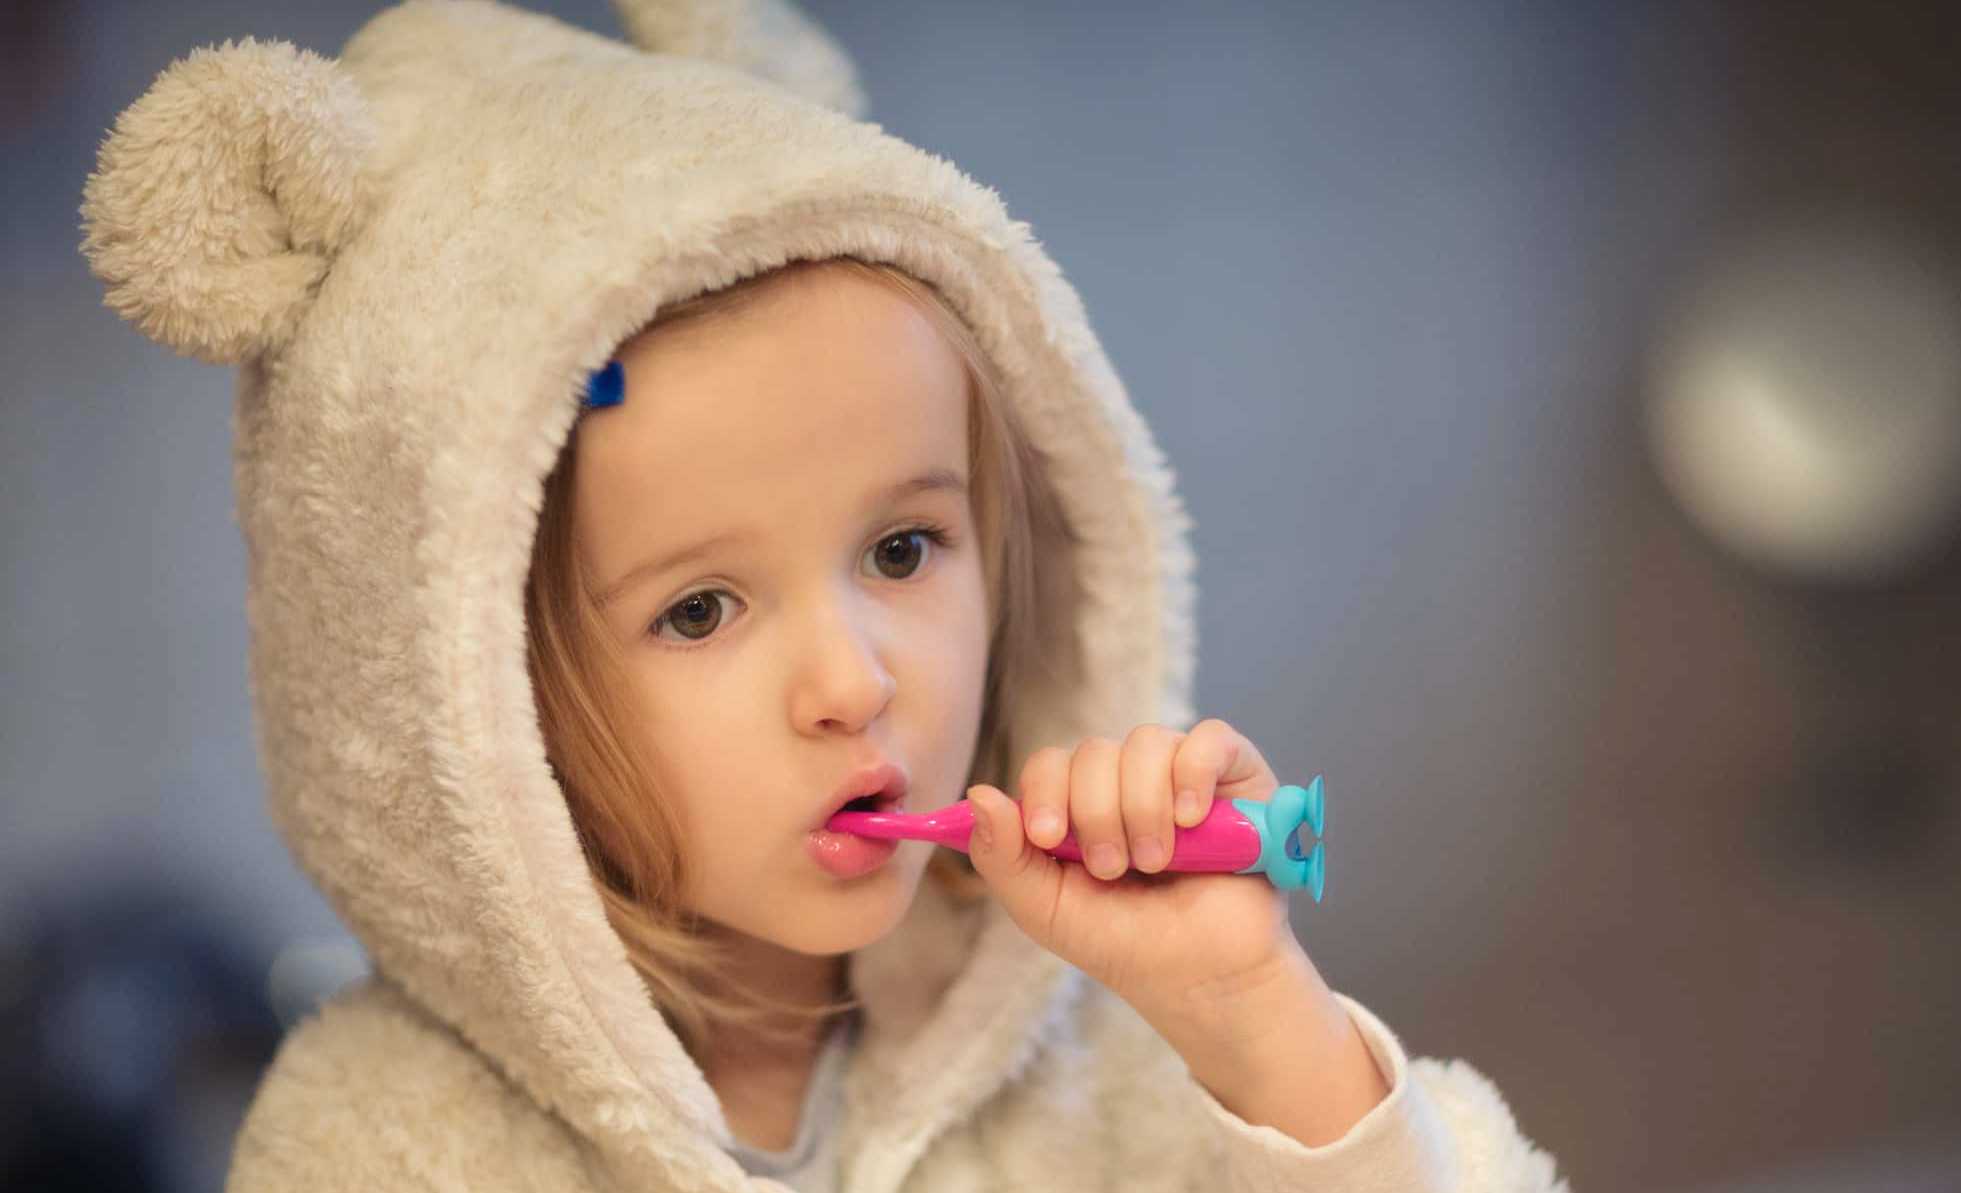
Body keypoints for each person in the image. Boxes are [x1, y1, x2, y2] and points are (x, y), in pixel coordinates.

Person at [78, 1, 1569, 1189]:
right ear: (466, 697)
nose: (853, 684)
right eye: (700, 611)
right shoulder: (382, 1148)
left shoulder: (1107, 1044)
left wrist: (1254, 1022)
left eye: (904, 551)